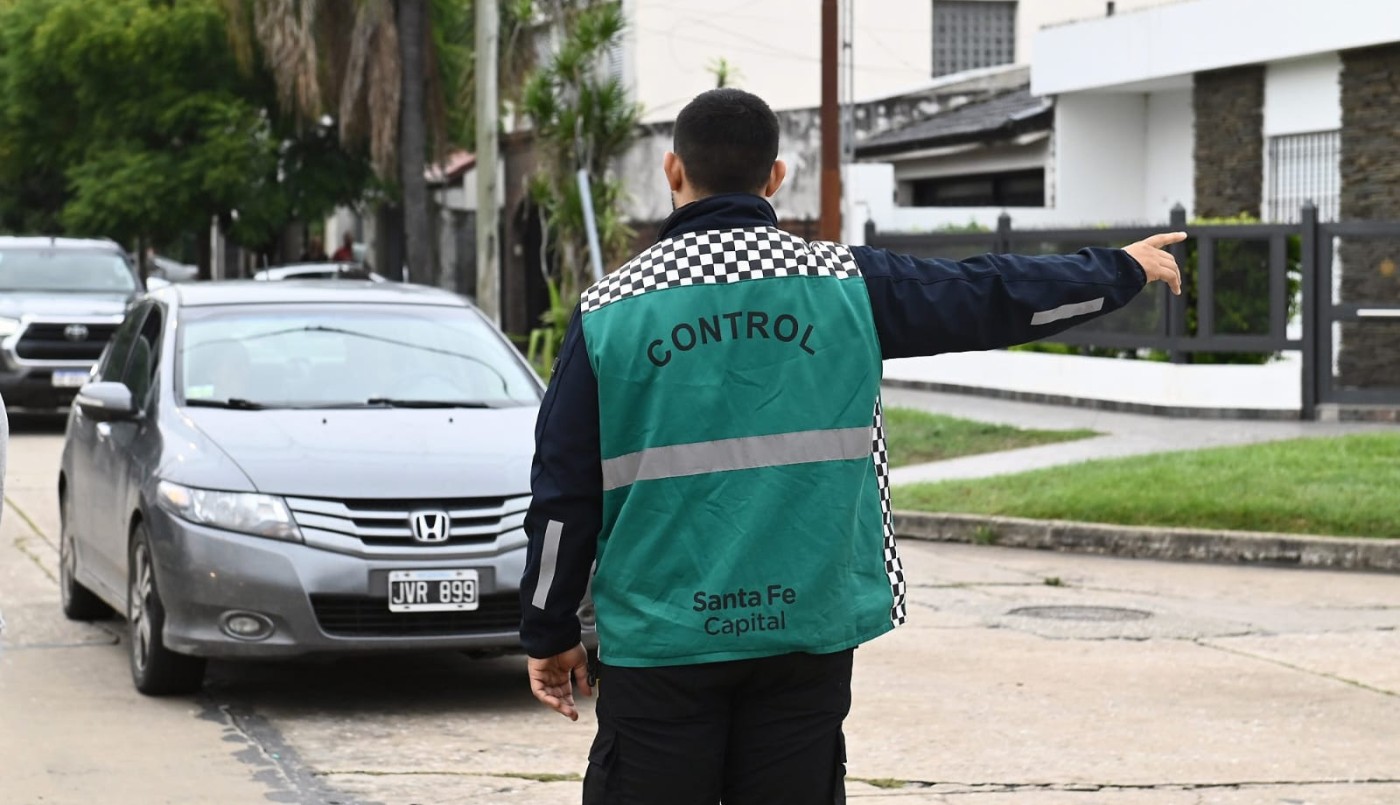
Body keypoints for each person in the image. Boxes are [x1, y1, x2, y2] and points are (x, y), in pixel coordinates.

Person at [519, 88, 1183, 803]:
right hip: (806, 632)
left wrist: (548, 626)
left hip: (663, 643)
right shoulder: (847, 285)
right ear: (776, 178)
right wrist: (1120, 270)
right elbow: (990, 294)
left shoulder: (609, 312)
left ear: (671, 170)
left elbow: (563, 494)